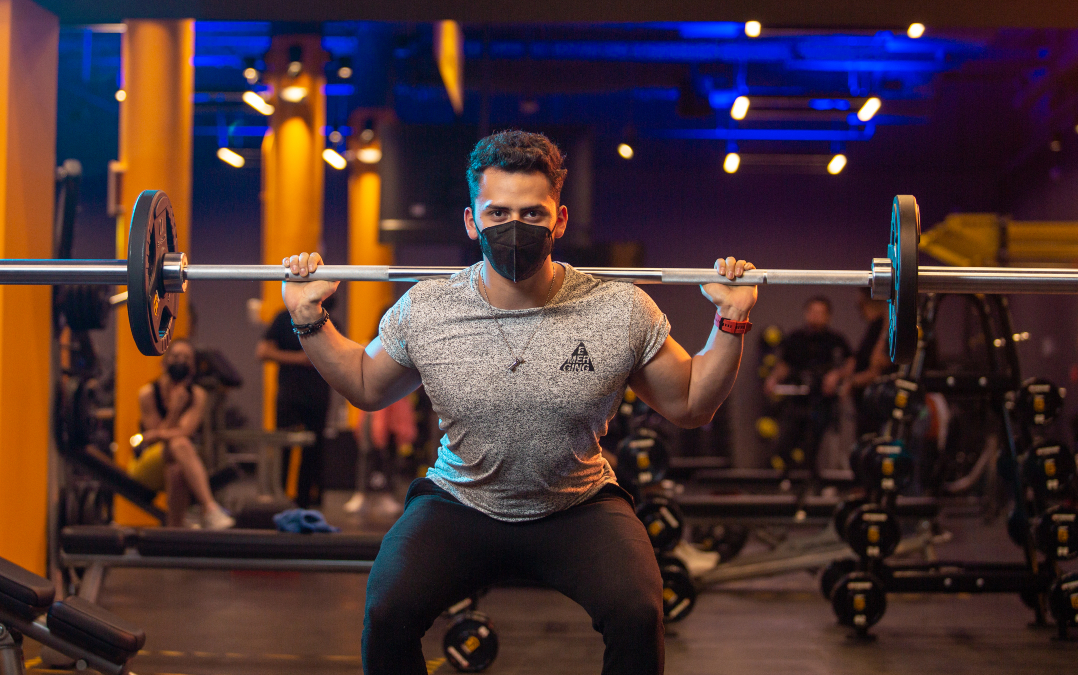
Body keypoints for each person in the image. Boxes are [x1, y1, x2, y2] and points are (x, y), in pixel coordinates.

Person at [280, 130, 757, 675]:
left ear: (559, 221)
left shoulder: (618, 309)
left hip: (577, 504)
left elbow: (692, 404)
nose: (514, 227)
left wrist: (731, 320)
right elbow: (366, 385)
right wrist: (308, 318)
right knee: (386, 613)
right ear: (471, 220)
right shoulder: (428, 309)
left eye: (533, 214)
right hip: (461, 500)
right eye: (498, 212)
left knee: (639, 613)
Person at [128, 339, 234, 529]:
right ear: (165, 362)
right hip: (148, 463)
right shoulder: (148, 394)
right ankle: (210, 508)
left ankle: (173, 531)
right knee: (180, 443)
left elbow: (183, 431)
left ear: (192, 368)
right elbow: (154, 442)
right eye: (176, 356)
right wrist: (174, 410)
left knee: (176, 466)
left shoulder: (198, 395)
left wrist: (158, 433)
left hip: (179, 459)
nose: (180, 361)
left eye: (186, 358)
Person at [257, 298, 334, 508]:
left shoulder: (330, 321)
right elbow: (263, 351)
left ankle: (306, 502)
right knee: (284, 448)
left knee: (314, 451)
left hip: (318, 396)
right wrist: (300, 359)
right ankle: (280, 501)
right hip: (289, 395)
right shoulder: (284, 318)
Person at [762, 296, 852, 473]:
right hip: (797, 400)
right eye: (813, 312)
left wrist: (837, 376)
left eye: (821, 313)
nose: (816, 316)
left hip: (823, 401)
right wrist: (773, 379)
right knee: (786, 442)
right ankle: (789, 479)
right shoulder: (795, 338)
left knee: (815, 444)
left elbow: (850, 362)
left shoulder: (836, 340)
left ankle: (814, 482)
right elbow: (784, 364)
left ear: (828, 316)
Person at [842, 287, 893, 436]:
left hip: (879, 407)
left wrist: (851, 382)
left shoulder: (885, 329)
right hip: (866, 407)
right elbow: (857, 360)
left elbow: (878, 367)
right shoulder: (874, 327)